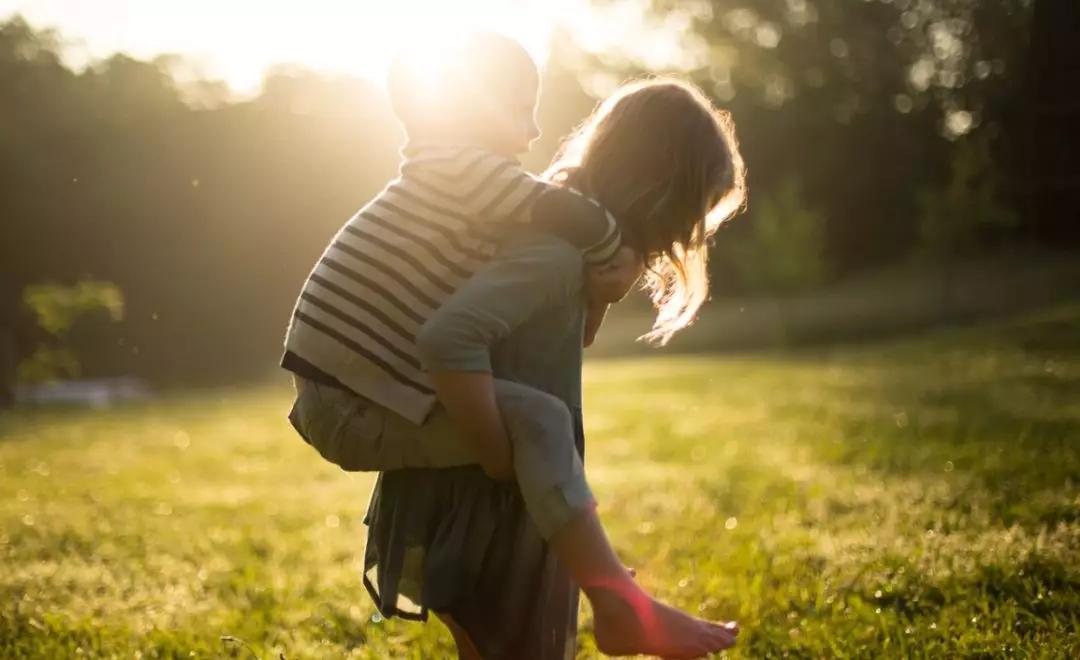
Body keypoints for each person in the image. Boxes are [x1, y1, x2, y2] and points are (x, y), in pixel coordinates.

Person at [360, 76, 748, 658]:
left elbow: (550, 337)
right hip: (486, 486)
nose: (683, 236)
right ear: (657, 193)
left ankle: (619, 605)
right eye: (689, 214)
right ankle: (622, 607)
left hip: (512, 482)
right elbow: (448, 337)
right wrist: (495, 452)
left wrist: (602, 294)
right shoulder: (554, 252)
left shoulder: (567, 244)